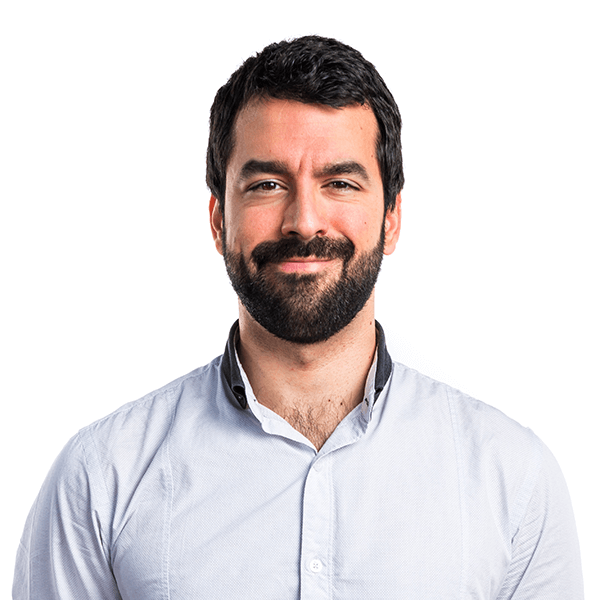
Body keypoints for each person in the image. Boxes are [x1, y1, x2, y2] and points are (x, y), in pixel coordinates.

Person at [13, 36, 583, 599]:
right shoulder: (99, 481)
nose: (304, 221)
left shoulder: (513, 480)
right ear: (218, 220)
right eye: (267, 185)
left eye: (339, 183)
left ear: (391, 218)